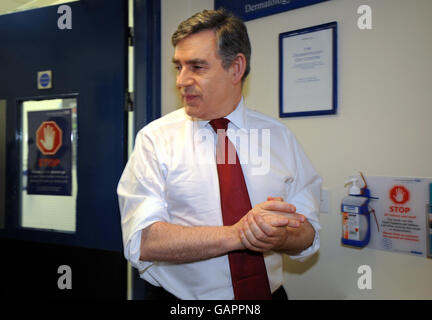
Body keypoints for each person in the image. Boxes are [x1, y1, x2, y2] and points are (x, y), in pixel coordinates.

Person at [117, 9, 322, 300]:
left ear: (236, 68)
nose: (181, 81)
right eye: (179, 67)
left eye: (197, 67)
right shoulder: (154, 139)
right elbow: (143, 241)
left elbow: (309, 232)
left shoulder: (280, 137)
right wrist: (240, 234)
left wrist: (283, 236)